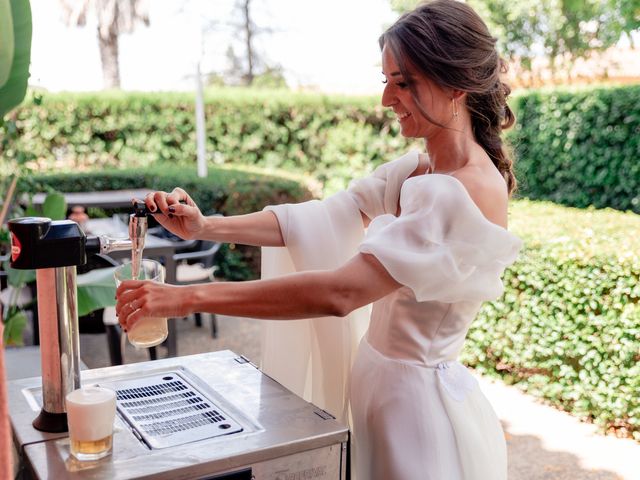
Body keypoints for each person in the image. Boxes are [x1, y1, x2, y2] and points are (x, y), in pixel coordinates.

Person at [116, 1, 522, 478]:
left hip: (415, 414)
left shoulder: (463, 188)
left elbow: (340, 292)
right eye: (386, 81)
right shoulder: (420, 170)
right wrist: (209, 227)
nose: (387, 101)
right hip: (379, 393)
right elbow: (321, 218)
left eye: (404, 83)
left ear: (456, 84)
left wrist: (186, 299)